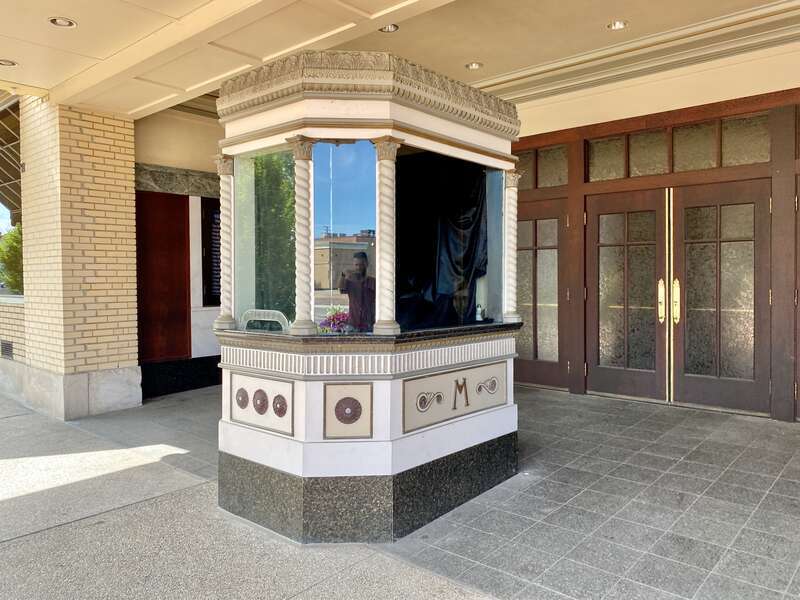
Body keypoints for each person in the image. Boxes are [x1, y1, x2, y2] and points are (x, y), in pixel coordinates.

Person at [338, 251, 375, 332]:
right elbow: (341, 289)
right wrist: (343, 275)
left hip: (369, 324)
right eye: (356, 265)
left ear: (366, 264)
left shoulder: (373, 281)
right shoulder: (350, 281)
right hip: (353, 324)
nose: (358, 267)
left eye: (361, 264)